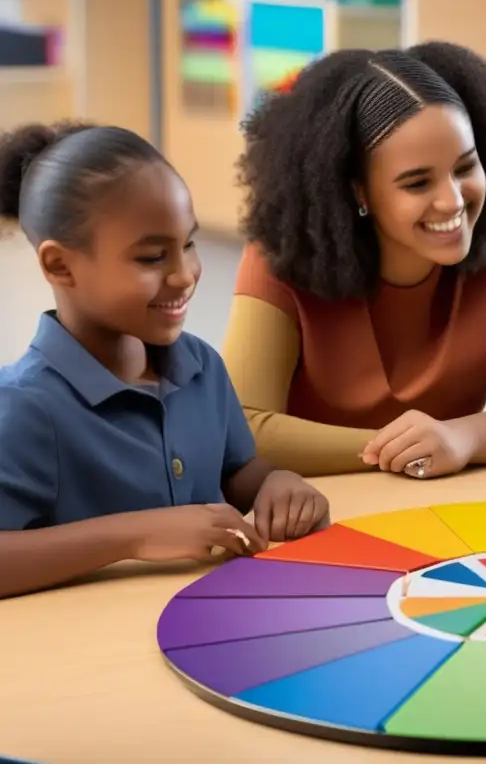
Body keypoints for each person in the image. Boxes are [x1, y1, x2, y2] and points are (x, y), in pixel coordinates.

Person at [220, 42, 486, 479]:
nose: (452, 200)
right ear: (359, 191)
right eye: (417, 183)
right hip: (322, 511)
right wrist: (410, 448)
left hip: (443, 515)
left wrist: (462, 438)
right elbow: (242, 428)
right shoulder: (278, 263)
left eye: (465, 167)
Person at [0, 122, 330, 599]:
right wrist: (138, 534)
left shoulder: (200, 364)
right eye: (153, 257)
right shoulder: (25, 408)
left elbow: (234, 471)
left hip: (210, 625)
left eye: (188, 244)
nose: (185, 275)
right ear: (59, 265)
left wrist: (276, 483)